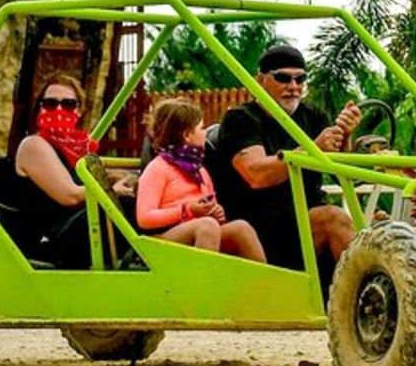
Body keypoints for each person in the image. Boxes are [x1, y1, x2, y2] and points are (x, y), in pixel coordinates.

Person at [207, 45, 361, 273]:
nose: (293, 87)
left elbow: (344, 177)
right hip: (260, 229)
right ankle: (361, 301)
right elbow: (256, 174)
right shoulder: (241, 119)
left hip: (304, 225)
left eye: (300, 80)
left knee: (377, 228)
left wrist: (345, 137)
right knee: (333, 219)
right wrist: (313, 148)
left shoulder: (313, 116)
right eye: (283, 78)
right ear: (261, 80)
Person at [136, 98, 265, 262]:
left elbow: (209, 204)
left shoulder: (199, 170)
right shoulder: (158, 168)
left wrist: (216, 212)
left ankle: (265, 285)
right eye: (201, 128)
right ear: (187, 135)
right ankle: (204, 285)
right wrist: (187, 210)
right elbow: (144, 218)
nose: (205, 133)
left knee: (241, 227)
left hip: (201, 232)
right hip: (163, 238)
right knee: (206, 226)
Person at [3, 73, 100, 269]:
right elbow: (70, 196)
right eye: (50, 103)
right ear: (40, 108)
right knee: (130, 207)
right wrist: (111, 189)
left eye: (68, 104)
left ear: (79, 111)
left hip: (75, 225)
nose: (58, 109)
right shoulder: (34, 145)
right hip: (54, 238)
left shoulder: (79, 147)